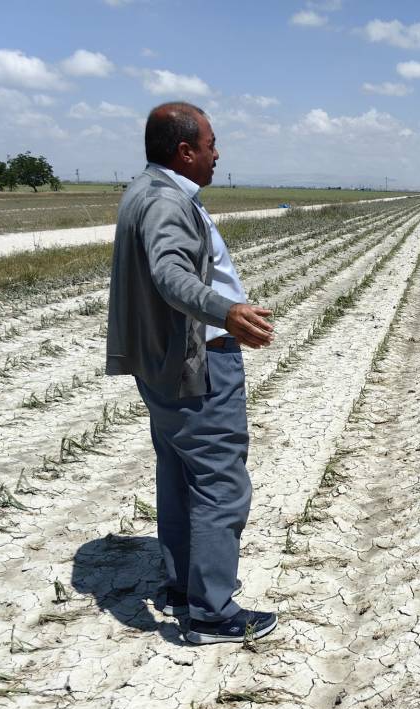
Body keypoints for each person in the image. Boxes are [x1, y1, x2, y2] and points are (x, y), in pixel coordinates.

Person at [106, 102, 278, 644]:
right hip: (196, 365)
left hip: (162, 364)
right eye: (210, 144)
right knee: (220, 485)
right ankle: (211, 611)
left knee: (179, 476)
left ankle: (185, 583)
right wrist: (223, 311)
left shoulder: (144, 190)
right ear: (185, 151)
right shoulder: (164, 202)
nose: (216, 154)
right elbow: (169, 274)